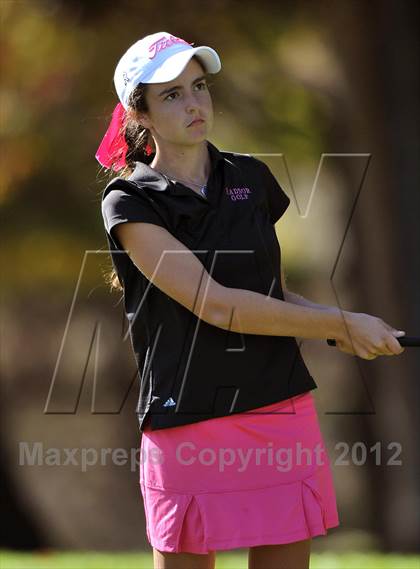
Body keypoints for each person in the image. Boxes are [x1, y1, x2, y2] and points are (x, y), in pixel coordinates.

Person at [97, 31, 406, 569]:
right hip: (187, 417)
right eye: (171, 95)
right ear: (139, 113)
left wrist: (342, 328)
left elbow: (271, 293)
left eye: (199, 87)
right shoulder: (130, 202)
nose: (194, 104)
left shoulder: (251, 178)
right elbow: (216, 305)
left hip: (277, 407)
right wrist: (340, 321)